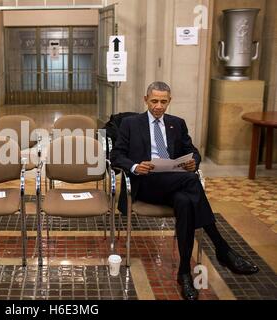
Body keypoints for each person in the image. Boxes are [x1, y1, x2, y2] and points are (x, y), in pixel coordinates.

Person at [110, 81, 259, 300]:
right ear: (145, 100)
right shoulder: (130, 124)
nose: (159, 106)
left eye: (163, 101)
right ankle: (222, 248)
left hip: (175, 183)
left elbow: (193, 151)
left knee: (186, 202)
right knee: (191, 182)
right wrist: (134, 166)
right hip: (145, 183)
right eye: (154, 101)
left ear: (169, 101)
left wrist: (193, 162)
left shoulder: (177, 124)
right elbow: (116, 155)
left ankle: (184, 273)